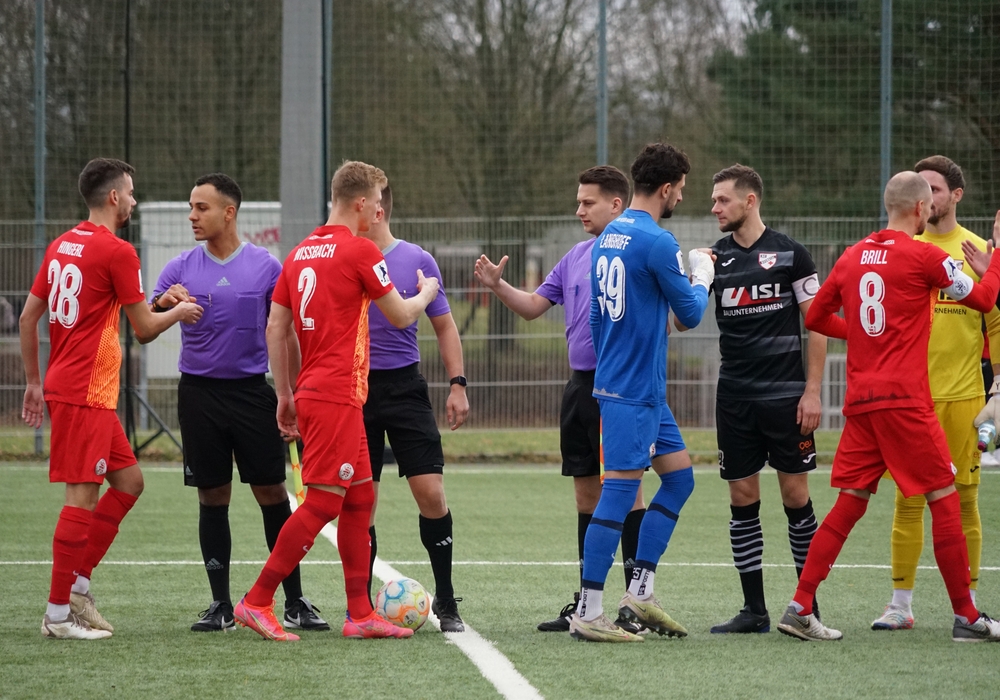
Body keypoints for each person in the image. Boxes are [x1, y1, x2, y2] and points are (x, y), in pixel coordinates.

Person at [778, 171, 1000, 643]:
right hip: (905, 403)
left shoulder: (852, 255)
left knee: (850, 503)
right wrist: (996, 258)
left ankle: (800, 606)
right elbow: (984, 299)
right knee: (945, 499)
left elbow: (816, 317)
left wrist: (861, 334)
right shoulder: (925, 255)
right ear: (920, 209)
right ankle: (967, 617)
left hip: (861, 403)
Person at [233, 161, 439, 642]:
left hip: (317, 391)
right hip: (336, 395)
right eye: (378, 202)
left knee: (360, 498)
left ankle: (359, 613)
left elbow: (276, 327)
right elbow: (401, 315)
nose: (381, 211)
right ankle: (256, 600)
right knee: (324, 501)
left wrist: (285, 392)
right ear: (361, 203)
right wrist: (427, 292)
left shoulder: (299, 252)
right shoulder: (360, 250)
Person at [20, 158, 202, 639]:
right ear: (114, 197)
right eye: (132, 193)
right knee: (82, 496)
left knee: (129, 482)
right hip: (85, 392)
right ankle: (58, 615)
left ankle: (78, 586)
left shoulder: (62, 244)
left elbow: (27, 318)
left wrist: (34, 382)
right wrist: (179, 311)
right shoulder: (118, 251)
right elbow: (143, 330)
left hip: (75, 388)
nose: (135, 201)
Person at [150, 173, 327, 633]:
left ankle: (294, 601)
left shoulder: (267, 267)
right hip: (198, 396)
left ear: (229, 213)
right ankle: (221, 605)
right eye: (191, 207)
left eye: (202, 207)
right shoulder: (179, 267)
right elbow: (146, 319)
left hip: (252, 394)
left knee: (273, 494)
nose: (192, 216)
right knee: (212, 496)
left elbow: (286, 333)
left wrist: (294, 393)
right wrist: (167, 303)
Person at [475, 165, 647, 634]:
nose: (579, 210)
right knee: (586, 495)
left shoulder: (637, 252)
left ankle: (635, 606)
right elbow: (534, 307)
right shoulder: (575, 255)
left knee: (628, 493)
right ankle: (588, 603)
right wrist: (497, 286)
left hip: (619, 390)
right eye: (578, 202)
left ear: (616, 204)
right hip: (579, 389)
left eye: (588, 202)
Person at [569, 143, 716, 642]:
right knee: (618, 494)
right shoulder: (657, 240)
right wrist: (703, 275)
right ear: (668, 187)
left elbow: (596, 316)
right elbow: (690, 312)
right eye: (682, 189)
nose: (682, 197)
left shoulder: (608, 236)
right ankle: (589, 611)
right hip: (634, 392)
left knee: (679, 480)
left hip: (633, 387)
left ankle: (640, 592)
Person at [870, 156, 1000, 631]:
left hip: (964, 399)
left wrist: (999, 390)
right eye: (921, 188)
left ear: (955, 196)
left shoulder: (979, 251)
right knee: (908, 501)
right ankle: (899, 605)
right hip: (911, 401)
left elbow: (995, 323)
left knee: (965, 502)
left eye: (936, 188)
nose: (926, 196)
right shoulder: (905, 249)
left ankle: (967, 608)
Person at [703, 164, 826, 634]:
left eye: (722, 199)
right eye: (713, 199)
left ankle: (806, 607)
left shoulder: (792, 253)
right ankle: (753, 610)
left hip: (787, 398)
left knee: (795, 495)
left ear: (749, 200)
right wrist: (691, 276)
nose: (714, 208)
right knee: (742, 495)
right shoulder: (714, 259)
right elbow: (681, 320)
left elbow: (817, 324)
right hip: (735, 397)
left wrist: (812, 391)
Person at [359, 183, 470, 632]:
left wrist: (457, 384)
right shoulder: (345, 258)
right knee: (361, 504)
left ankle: (446, 598)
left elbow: (444, 326)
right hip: (356, 390)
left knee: (431, 495)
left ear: (377, 209)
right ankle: (359, 605)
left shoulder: (417, 259)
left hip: (405, 389)